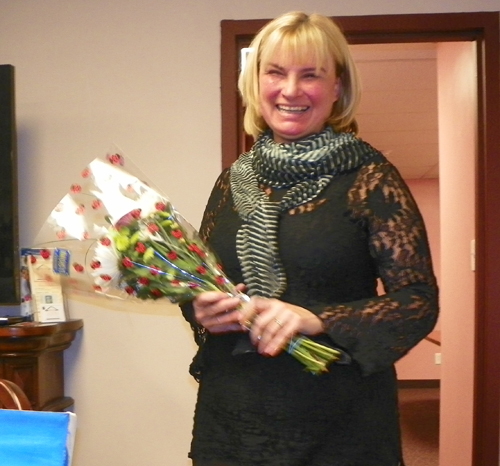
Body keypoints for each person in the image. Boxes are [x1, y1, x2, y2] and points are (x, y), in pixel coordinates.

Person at [180, 10, 439, 466]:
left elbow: (418, 302)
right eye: (275, 72)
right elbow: (205, 283)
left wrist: (316, 320)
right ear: (255, 82)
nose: (291, 90)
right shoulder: (232, 182)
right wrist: (202, 309)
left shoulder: (370, 179)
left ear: (337, 87)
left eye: (311, 75)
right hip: (232, 423)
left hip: (340, 426)